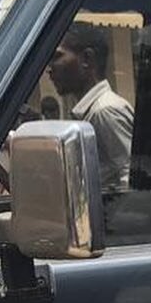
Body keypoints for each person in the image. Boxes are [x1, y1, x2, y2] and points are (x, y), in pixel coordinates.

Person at [48, 22, 133, 191]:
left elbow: (129, 177)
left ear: (86, 59)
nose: (49, 69)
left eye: (57, 57)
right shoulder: (88, 113)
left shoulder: (105, 111)